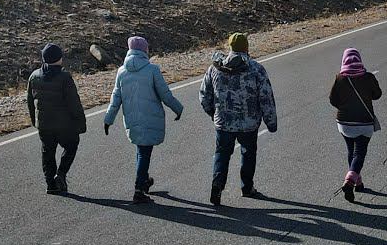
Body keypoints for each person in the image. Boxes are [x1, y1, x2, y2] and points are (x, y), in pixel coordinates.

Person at [199, 32, 277, 206]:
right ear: (246, 48)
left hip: (224, 123)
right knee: (248, 154)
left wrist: (213, 113)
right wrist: (271, 123)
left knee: (222, 154)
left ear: (230, 47)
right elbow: (266, 98)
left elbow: (204, 95)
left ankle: (217, 186)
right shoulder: (256, 69)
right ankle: (247, 187)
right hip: (249, 124)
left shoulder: (215, 68)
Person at [103, 36, 184, 204]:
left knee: (141, 150)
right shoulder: (152, 69)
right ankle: (139, 189)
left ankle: (145, 180)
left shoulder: (121, 71)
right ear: (144, 51)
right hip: (150, 119)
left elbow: (115, 98)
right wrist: (178, 108)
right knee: (144, 152)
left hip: (132, 119)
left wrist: (108, 119)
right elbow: (165, 94)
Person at [27, 43, 86, 195]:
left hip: (44, 124)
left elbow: (30, 102)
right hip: (64, 124)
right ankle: (61, 174)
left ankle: (50, 184)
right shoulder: (64, 77)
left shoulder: (34, 76)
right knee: (71, 145)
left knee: (47, 152)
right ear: (59, 58)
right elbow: (74, 103)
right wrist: (80, 123)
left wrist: (35, 121)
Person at [328, 47, 381, 202]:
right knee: (360, 153)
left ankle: (358, 183)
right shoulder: (368, 77)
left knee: (352, 151)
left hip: (344, 123)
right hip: (364, 122)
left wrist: (345, 108)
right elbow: (377, 95)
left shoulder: (339, 78)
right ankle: (350, 180)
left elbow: (332, 100)